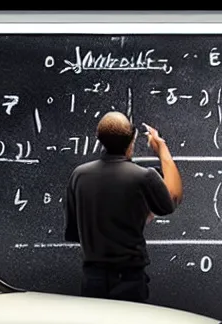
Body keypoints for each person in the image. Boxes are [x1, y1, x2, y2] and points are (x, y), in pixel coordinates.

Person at [64, 111, 183, 303]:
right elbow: (173, 198)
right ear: (133, 138)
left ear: (99, 138)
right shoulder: (144, 176)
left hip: (92, 280)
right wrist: (161, 148)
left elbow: (73, 233)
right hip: (129, 281)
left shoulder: (79, 175)